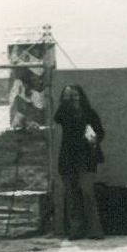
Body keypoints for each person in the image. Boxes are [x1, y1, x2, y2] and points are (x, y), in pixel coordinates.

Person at [53, 84, 105, 240]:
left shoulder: (90, 114)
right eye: (70, 95)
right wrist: (65, 101)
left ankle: (95, 230)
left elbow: (100, 132)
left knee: (88, 193)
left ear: (82, 96)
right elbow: (58, 118)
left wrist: (95, 138)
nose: (74, 98)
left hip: (86, 158)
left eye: (76, 95)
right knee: (72, 195)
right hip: (69, 158)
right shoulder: (65, 114)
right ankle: (76, 230)